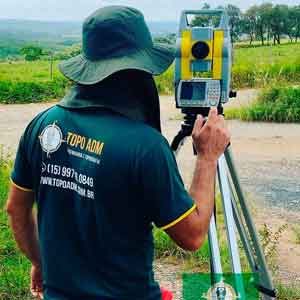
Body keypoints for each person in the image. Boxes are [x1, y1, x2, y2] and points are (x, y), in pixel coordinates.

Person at [6, 6, 230, 300]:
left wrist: (40, 261)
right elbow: (193, 235)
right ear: (139, 69)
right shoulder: (145, 147)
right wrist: (207, 158)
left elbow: (16, 209)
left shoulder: (42, 125)